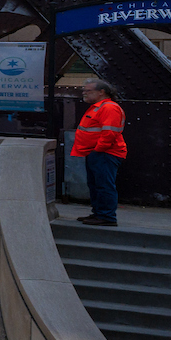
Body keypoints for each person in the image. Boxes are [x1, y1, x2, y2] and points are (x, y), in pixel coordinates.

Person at [65, 76, 127, 228]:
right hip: (99, 153)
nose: (84, 93)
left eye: (88, 91)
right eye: (84, 91)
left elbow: (109, 133)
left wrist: (97, 150)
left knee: (103, 185)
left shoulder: (108, 108)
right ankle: (99, 213)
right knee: (96, 184)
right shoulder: (100, 107)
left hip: (105, 153)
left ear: (102, 92)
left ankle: (106, 216)